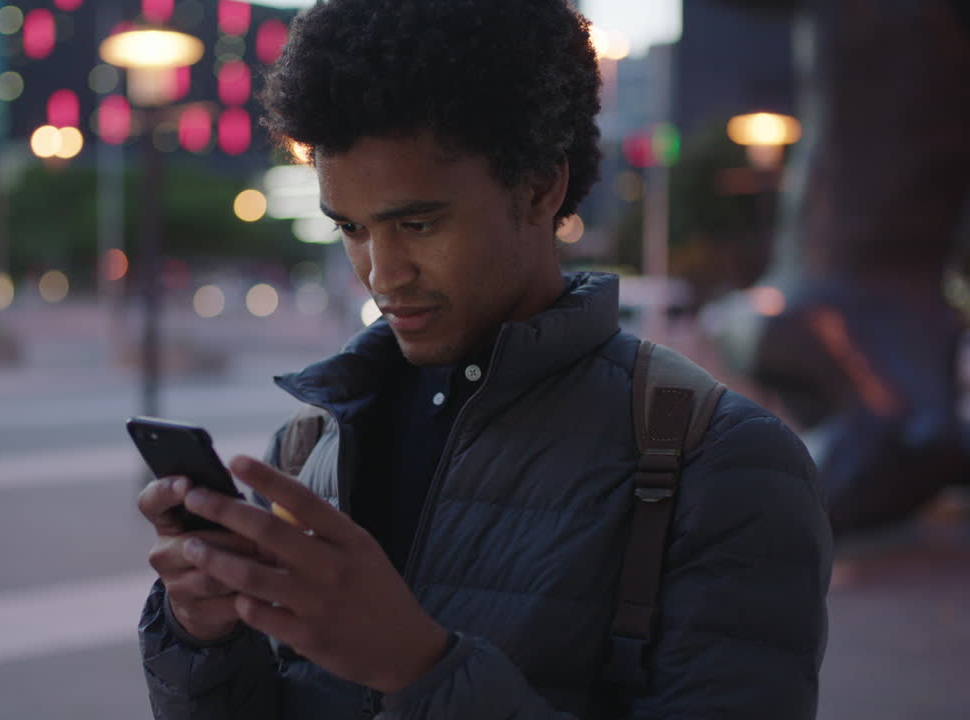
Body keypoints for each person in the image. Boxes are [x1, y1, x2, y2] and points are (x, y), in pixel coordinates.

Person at [136, 1, 832, 718]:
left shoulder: (721, 464)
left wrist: (415, 666)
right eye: (351, 228)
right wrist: (204, 635)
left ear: (537, 187)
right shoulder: (313, 442)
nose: (381, 272)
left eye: (417, 223)